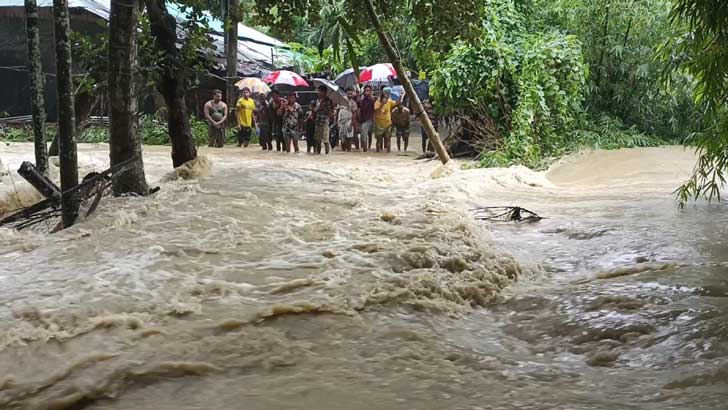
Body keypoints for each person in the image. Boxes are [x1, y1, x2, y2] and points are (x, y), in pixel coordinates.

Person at [373, 87, 397, 153]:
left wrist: (401, 96)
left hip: (388, 123)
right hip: (379, 124)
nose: (386, 99)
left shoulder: (389, 101)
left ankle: (388, 152)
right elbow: (376, 111)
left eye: (387, 97)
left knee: (388, 139)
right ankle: (378, 152)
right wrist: (382, 104)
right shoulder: (377, 102)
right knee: (379, 140)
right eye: (385, 97)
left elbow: (396, 103)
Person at [313, 85, 334, 154]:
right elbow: (315, 110)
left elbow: (330, 114)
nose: (318, 92)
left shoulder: (328, 101)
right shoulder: (318, 100)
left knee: (325, 140)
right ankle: (318, 154)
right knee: (317, 140)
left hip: (325, 122)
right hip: (318, 121)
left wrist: (323, 108)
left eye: (319, 91)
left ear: (324, 92)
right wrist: (317, 108)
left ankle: (327, 154)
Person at [357, 85, 374, 152]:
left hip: (369, 119)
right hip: (363, 119)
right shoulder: (363, 100)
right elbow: (360, 108)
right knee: (364, 134)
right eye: (365, 91)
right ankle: (365, 148)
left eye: (368, 91)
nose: (366, 92)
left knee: (364, 134)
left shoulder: (372, 100)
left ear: (370, 92)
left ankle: (365, 149)